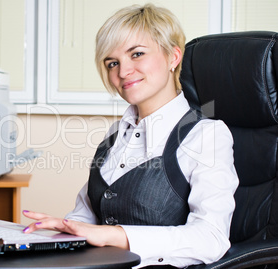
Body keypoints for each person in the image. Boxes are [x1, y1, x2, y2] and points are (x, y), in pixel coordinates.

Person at [23, 3, 239, 268]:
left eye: (136, 54)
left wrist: (115, 235)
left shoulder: (206, 135)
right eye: (112, 62)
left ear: (173, 57)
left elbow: (211, 238)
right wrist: (57, 232)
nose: (122, 72)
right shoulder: (116, 134)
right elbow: (86, 217)